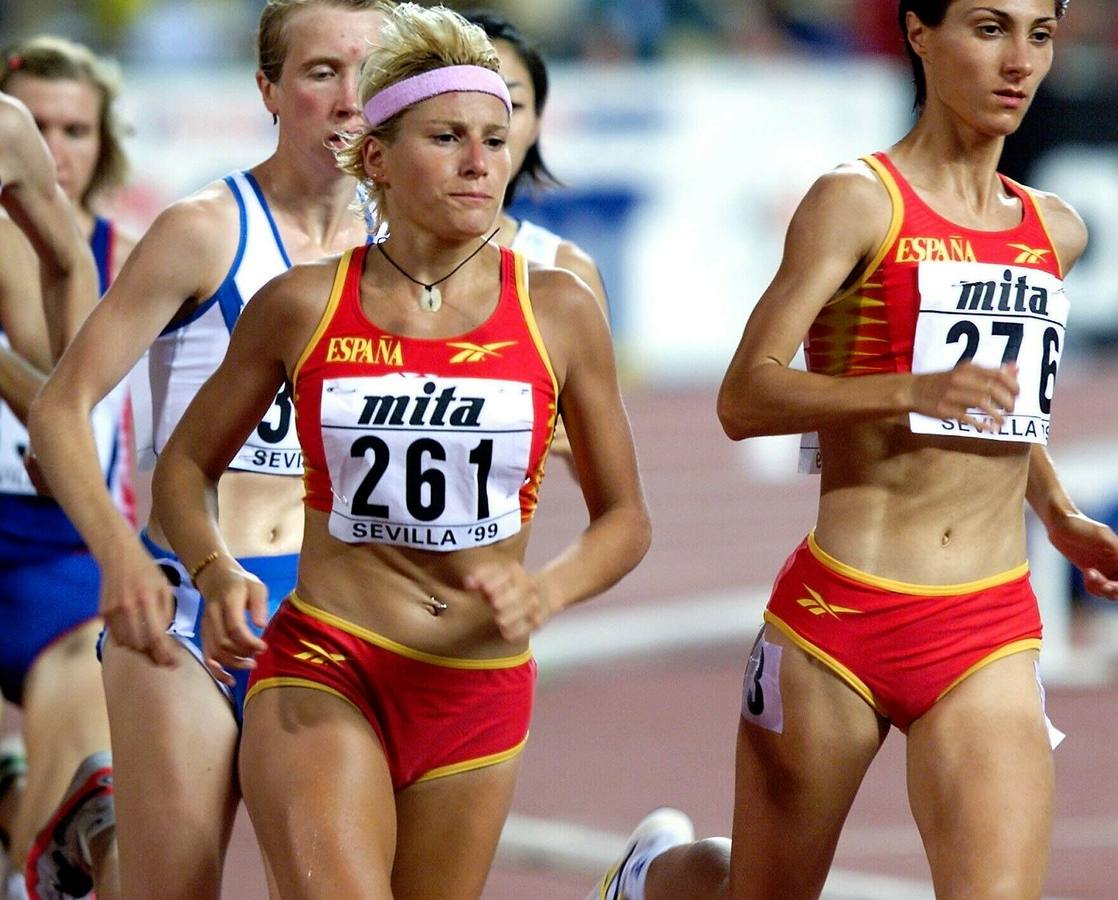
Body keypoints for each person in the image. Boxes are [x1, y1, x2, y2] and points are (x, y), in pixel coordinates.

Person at [589, 1, 1118, 898]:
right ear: (918, 31)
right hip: (842, 620)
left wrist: (1058, 512)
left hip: (988, 626)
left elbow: (998, 408)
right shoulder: (859, 200)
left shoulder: (1052, 229)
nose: (1019, 62)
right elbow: (744, 394)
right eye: (989, 29)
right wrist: (907, 389)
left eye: (1038, 34)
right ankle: (654, 877)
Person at [150, 4, 650, 897]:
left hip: (478, 689)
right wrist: (215, 567)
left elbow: (626, 520)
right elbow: (182, 470)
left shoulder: (561, 308)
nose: (479, 162)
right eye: (448, 136)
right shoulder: (301, 305)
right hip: (327, 665)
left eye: (496, 139)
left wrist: (547, 589)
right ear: (376, 156)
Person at [26, 2, 385, 897]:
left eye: (368, 75)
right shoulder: (204, 231)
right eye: (319, 73)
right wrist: (119, 558)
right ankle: (107, 833)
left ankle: (100, 829)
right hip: (186, 602)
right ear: (268, 88)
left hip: (347, 611)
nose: (349, 101)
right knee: (175, 882)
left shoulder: (408, 246)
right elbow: (61, 410)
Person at [0, 35, 141, 900]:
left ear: (104, 141)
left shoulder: (146, 257)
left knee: (91, 807)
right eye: (44, 123)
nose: (58, 146)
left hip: (62, 557)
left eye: (76, 128)